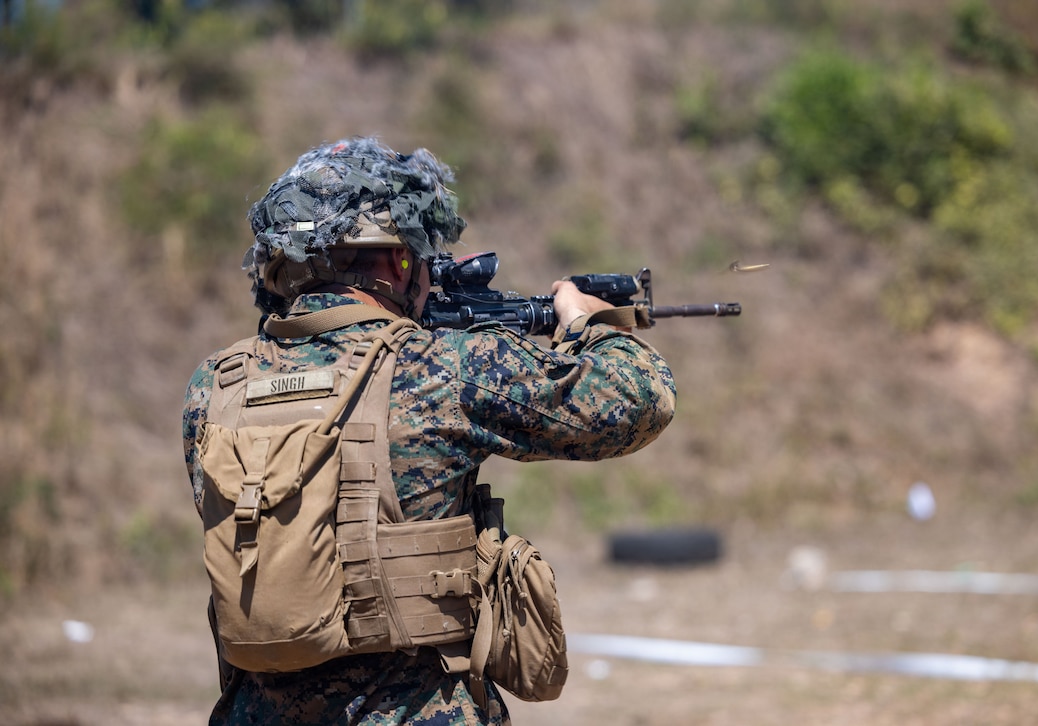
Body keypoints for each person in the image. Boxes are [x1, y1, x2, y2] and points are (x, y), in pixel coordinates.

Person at [182, 135, 676, 725]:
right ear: (398, 261)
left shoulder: (216, 385)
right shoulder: (440, 368)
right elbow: (638, 398)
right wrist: (585, 325)